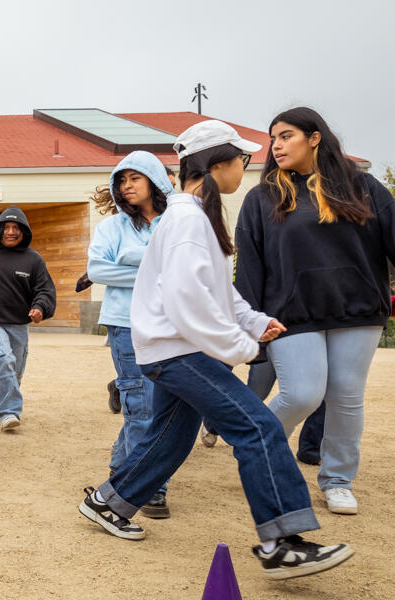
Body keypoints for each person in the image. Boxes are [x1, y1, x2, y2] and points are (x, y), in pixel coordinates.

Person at [78, 119, 354, 580]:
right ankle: (282, 544)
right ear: (217, 164)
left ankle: (109, 501)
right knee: (258, 427)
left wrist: (253, 320)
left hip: (172, 349)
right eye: (241, 161)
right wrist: (241, 346)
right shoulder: (188, 220)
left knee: (172, 435)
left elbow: (216, 290)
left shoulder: (194, 216)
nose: (243, 169)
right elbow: (188, 302)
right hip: (178, 351)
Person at [235, 107, 395, 515]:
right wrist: (248, 326)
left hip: (357, 310)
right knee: (302, 393)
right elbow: (250, 265)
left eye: (286, 135)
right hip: (290, 312)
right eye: (273, 139)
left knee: (346, 396)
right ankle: (260, 451)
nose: (277, 145)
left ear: (315, 137)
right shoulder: (262, 198)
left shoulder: (365, 188)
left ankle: (338, 479)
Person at [86, 151, 174, 518]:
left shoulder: (176, 222)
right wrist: (153, 270)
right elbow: (97, 269)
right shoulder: (111, 228)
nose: (126, 186)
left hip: (172, 323)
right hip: (124, 322)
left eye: (134, 178)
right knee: (140, 404)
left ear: (155, 179)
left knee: (162, 405)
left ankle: (124, 461)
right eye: (121, 181)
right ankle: (149, 485)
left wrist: (130, 258)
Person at [0, 206, 56, 437]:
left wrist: (40, 308)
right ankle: (8, 412)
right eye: (6, 227)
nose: (10, 232)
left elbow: (45, 290)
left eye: (16, 228)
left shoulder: (33, 259)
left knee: (14, 371)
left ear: (24, 231)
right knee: (3, 359)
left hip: (18, 323)